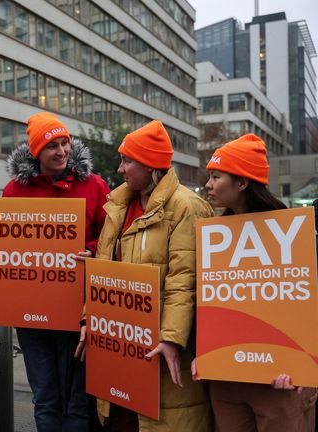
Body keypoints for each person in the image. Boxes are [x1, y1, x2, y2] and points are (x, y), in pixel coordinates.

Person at [79, 120, 214, 431]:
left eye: (127, 161)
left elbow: (184, 281)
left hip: (160, 349)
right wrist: (90, 319)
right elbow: (103, 269)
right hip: (121, 346)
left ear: (151, 165)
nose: (120, 168)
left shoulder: (186, 206)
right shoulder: (117, 205)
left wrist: (170, 339)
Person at [191, 133, 317, 431]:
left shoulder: (293, 232)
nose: (208, 185)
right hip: (227, 383)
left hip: (280, 387)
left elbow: (305, 302)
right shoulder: (214, 235)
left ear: (243, 183)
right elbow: (211, 299)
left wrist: (304, 365)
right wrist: (204, 353)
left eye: (216, 176)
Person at [3, 112, 110, 432]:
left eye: (65, 143)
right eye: (52, 145)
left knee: (76, 401)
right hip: (32, 312)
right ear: (36, 151)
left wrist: (90, 249)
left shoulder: (94, 185)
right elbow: (8, 244)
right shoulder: (14, 189)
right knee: (46, 399)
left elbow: (111, 236)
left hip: (76, 308)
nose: (61, 151)